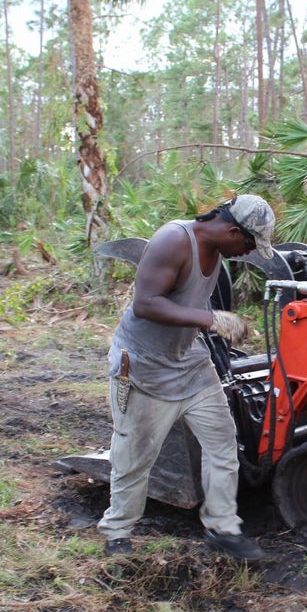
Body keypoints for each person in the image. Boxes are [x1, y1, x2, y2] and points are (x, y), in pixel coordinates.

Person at [97, 195, 275, 561]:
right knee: (135, 457)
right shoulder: (174, 240)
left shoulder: (218, 254)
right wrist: (210, 320)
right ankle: (117, 532)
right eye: (248, 243)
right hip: (144, 364)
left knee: (223, 444)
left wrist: (211, 322)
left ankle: (222, 528)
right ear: (231, 230)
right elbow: (145, 304)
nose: (247, 252)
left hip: (190, 362)